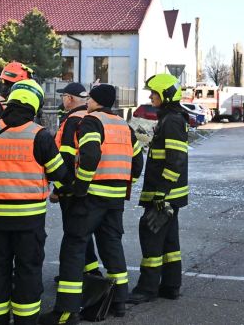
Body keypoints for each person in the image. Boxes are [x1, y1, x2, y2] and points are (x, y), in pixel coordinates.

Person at [0, 79, 70, 324]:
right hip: (29, 219)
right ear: (36, 105)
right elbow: (59, 174)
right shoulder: (40, 135)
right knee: (28, 270)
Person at [41, 84, 145, 324]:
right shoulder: (123, 125)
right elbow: (137, 161)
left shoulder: (91, 121)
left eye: (89, 100)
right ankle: (119, 302)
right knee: (111, 246)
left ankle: (66, 310)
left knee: (74, 247)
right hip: (115, 198)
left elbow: (90, 154)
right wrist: (123, 185)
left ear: (96, 101)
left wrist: (80, 187)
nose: (86, 103)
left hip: (91, 197)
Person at [128, 74, 189, 304]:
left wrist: (161, 194)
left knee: (151, 236)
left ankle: (147, 288)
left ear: (165, 95)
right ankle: (171, 286)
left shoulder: (171, 121)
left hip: (164, 194)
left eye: (154, 92)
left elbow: (175, 160)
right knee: (169, 241)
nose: (150, 96)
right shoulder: (170, 119)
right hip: (170, 194)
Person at [50, 82, 101, 280]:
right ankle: (90, 269)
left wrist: (59, 190)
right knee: (82, 232)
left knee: (74, 234)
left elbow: (66, 159)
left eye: (64, 96)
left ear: (69, 98)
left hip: (72, 188)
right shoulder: (90, 117)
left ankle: (73, 274)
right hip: (89, 184)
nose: (62, 99)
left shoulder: (71, 120)